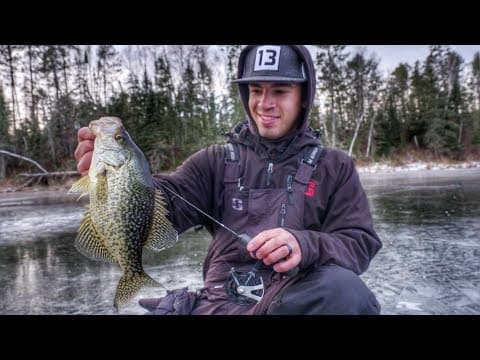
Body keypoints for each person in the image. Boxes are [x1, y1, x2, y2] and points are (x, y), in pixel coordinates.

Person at [74, 45, 382, 315]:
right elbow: (169, 202)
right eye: (257, 90)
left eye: (280, 90)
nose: (265, 103)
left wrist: (305, 244)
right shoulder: (214, 160)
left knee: (346, 293)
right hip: (219, 303)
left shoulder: (334, 167)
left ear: (304, 97)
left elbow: (359, 243)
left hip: (293, 299)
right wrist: (122, 184)